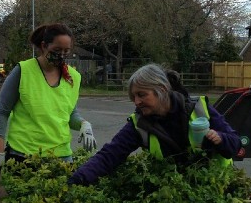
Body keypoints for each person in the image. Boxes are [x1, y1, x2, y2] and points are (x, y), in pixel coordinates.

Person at [68, 63, 241, 186]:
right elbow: (109, 155)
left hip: (219, 188)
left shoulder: (200, 108)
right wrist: (76, 179)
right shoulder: (139, 124)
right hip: (177, 196)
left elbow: (235, 144)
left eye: (142, 95)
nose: (136, 102)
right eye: (133, 97)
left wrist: (220, 139)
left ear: (162, 90)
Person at [0, 23, 96, 165]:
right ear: (44, 46)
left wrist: (83, 124)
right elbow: (2, 111)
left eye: (66, 51)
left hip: (61, 157)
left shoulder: (74, 77)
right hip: (22, 154)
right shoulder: (23, 71)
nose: (61, 55)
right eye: (57, 49)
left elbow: (70, 114)